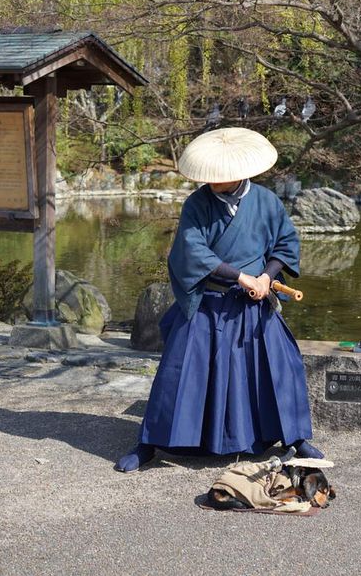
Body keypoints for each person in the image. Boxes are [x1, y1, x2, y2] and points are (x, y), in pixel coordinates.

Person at [116, 127, 322, 472]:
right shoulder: (197, 204)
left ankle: (295, 437)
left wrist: (266, 277)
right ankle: (148, 443)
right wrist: (240, 277)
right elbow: (191, 251)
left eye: (219, 178)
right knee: (179, 373)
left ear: (239, 174)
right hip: (208, 303)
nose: (213, 183)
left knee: (280, 366)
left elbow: (285, 244)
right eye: (209, 178)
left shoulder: (267, 202)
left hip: (255, 304)